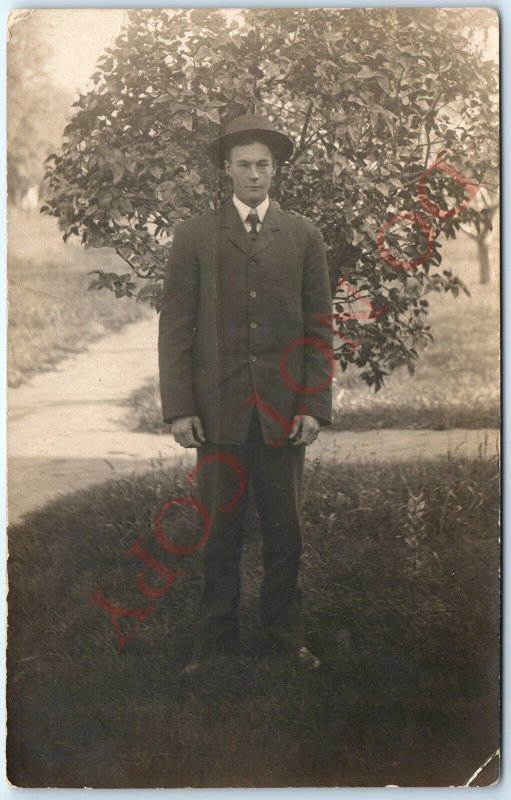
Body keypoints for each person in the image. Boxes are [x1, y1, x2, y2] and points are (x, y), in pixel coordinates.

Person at [158, 114, 333, 673]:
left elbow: (319, 327)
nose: (253, 174)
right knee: (218, 535)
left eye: (262, 164)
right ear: (226, 171)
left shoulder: (303, 235)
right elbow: (176, 327)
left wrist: (312, 405)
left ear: (274, 169)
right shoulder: (195, 235)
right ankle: (212, 646)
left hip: (284, 414)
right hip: (219, 414)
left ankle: (286, 640)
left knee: (287, 534)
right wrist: (181, 407)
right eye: (243, 165)